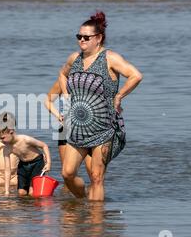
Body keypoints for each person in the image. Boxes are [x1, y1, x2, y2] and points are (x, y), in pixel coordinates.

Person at [58, 11, 143, 201]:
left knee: (96, 177)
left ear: (99, 38)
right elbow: (62, 74)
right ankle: (83, 202)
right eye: (78, 36)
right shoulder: (75, 59)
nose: (81, 40)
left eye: (86, 37)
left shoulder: (109, 58)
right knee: (67, 173)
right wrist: (65, 96)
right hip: (77, 128)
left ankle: (96, 225)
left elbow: (136, 75)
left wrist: (119, 96)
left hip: (104, 128)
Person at [0, 112, 51, 196]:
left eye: (2, 138)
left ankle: (33, 207)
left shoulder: (25, 140)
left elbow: (44, 146)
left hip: (37, 163)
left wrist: (48, 163)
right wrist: (7, 191)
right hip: (23, 165)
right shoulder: (6, 149)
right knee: (21, 193)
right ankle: (23, 208)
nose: (1, 141)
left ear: (11, 132)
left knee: (32, 192)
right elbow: (7, 170)